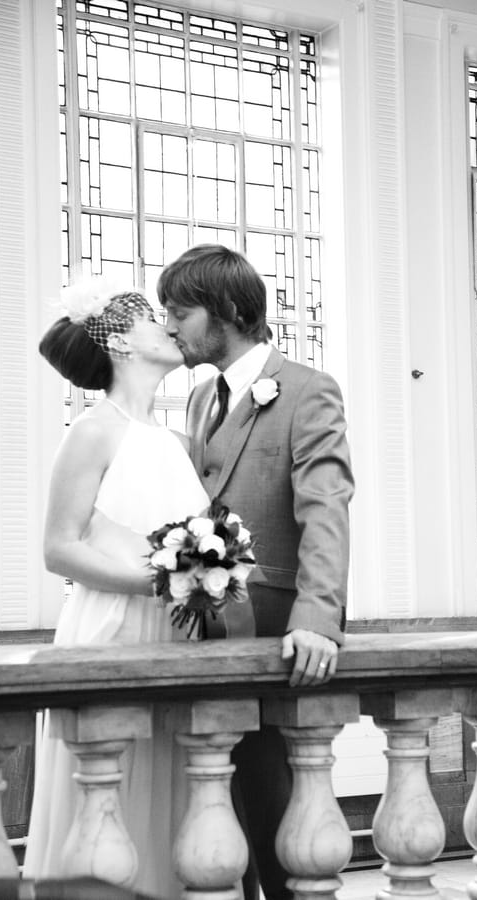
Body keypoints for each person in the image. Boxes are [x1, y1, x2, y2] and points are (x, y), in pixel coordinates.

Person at [157, 244, 355, 900]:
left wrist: (318, 619)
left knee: (278, 814)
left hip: (276, 638)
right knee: (221, 817)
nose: (170, 328)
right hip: (203, 635)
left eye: (180, 313)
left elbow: (326, 508)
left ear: (229, 311)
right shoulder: (195, 401)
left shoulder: (307, 390)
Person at [24, 280, 209, 899]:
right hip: (110, 630)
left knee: (178, 791)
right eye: (156, 320)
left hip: (179, 638)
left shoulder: (181, 441)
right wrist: (161, 582)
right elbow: (60, 548)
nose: (169, 327)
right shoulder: (92, 431)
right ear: (123, 342)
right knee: (108, 792)